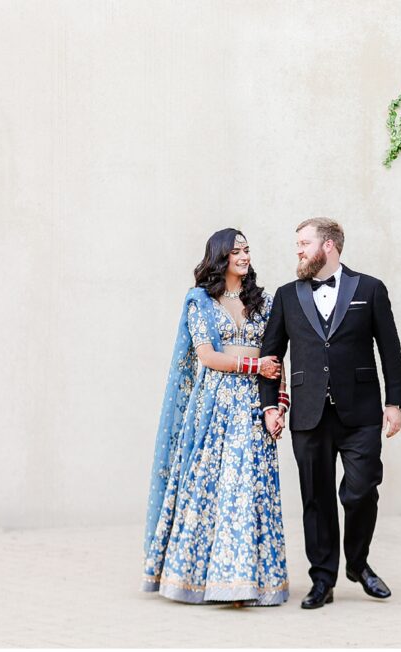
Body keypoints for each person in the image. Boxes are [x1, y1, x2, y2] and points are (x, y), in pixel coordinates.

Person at [260, 217, 401, 609]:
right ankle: (322, 580)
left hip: (360, 413)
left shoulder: (370, 289)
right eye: (297, 244)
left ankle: (357, 563)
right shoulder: (287, 296)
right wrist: (270, 404)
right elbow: (271, 356)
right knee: (316, 499)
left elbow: (389, 350)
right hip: (308, 414)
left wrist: (395, 403)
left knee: (360, 491)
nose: (299, 251)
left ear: (328, 246)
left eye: (304, 243)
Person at [143, 228, 291, 606]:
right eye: (237, 251)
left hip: (254, 406)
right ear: (221, 257)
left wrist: (279, 406)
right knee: (212, 489)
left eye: (247, 250)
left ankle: (244, 583)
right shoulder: (200, 302)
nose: (245, 256)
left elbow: (276, 358)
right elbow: (207, 356)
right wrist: (253, 363)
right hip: (214, 406)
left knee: (248, 489)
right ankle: (201, 578)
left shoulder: (265, 302)